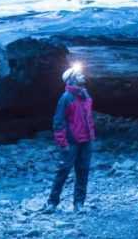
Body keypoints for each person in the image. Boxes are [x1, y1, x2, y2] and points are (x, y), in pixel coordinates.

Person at [44, 63, 96, 213]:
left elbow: (88, 118)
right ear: (72, 79)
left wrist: (91, 135)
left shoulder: (86, 96)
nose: (83, 76)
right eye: (79, 74)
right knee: (63, 171)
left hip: (86, 141)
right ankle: (52, 203)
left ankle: (79, 204)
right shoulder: (66, 97)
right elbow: (58, 121)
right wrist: (63, 142)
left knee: (83, 171)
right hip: (71, 142)